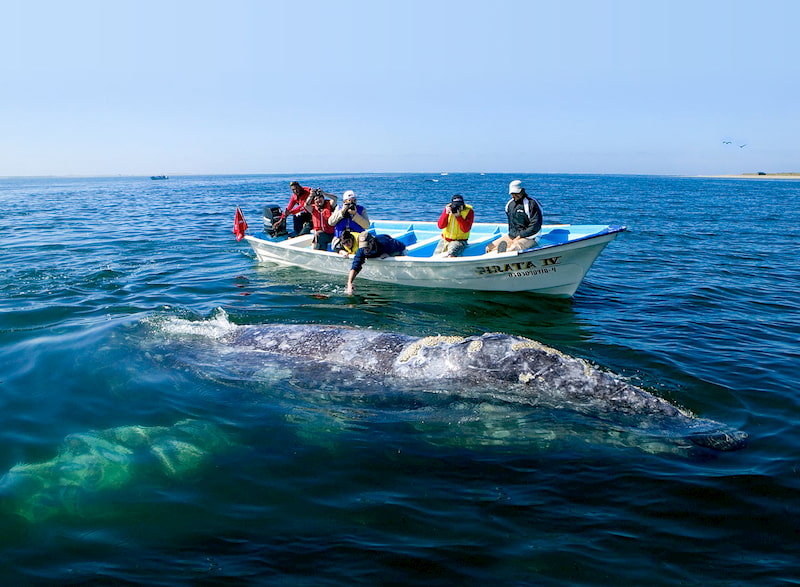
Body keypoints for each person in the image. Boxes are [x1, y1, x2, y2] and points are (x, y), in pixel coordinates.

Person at [485, 180, 542, 253]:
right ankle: (497, 254)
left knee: (514, 248)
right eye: (512, 193)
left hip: (530, 237)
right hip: (512, 236)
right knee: (489, 248)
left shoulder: (532, 204)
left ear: (522, 191)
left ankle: (505, 253)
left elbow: (535, 225)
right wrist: (513, 237)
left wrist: (520, 236)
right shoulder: (509, 205)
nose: (514, 195)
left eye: (516, 193)